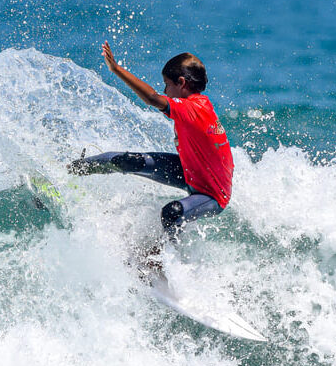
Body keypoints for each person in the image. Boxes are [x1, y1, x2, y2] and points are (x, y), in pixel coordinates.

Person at [68, 41, 234, 265]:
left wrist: (116, 69)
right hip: (189, 171)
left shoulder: (193, 108)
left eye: (167, 84)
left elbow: (153, 99)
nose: (165, 90)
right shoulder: (191, 106)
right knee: (127, 161)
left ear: (182, 83)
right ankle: (73, 170)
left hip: (212, 195)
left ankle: (161, 260)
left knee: (172, 212)